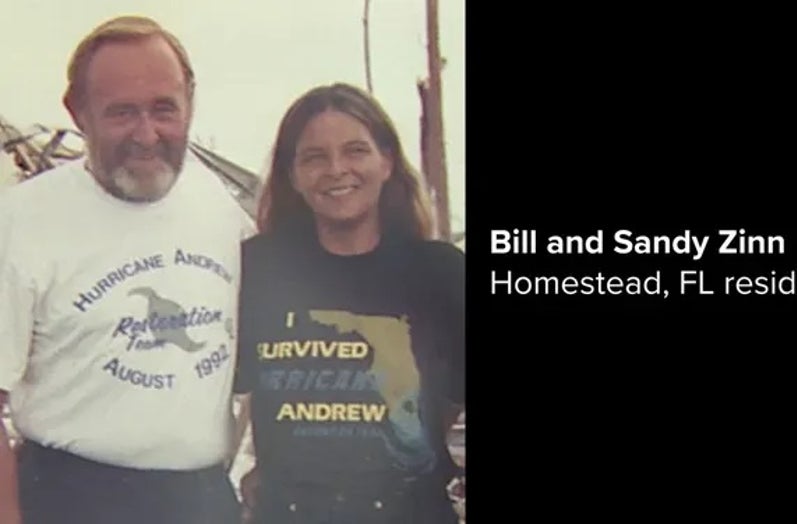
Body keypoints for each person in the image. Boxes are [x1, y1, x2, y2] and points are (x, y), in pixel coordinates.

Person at [0, 15, 254, 524]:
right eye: (121, 113)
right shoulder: (21, 221)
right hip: (70, 499)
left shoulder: (224, 211)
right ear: (78, 112)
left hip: (202, 499)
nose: (147, 134)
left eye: (165, 109)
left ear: (190, 100)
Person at [234, 82, 464, 523]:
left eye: (356, 150)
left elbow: (448, 397)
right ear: (293, 175)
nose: (336, 169)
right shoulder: (256, 270)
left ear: (387, 162)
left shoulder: (440, 273)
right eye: (314, 157)